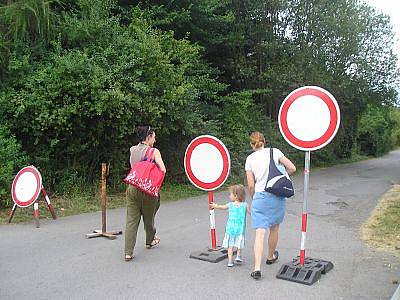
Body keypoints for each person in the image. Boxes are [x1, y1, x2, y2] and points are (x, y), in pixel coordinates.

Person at [245, 132, 296, 280]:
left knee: (260, 232)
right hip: (276, 195)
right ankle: (270, 256)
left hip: (260, 196)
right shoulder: (275, 152)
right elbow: (292, 168)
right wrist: (281, 178)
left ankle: (256, 268)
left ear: (251, 144)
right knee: (274, 228)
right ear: (264, 141)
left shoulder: (249, 159)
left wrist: (255, 198)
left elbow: (250, 185)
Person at [124, 126, 166, 262]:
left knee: (131, 220)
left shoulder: (132, 150)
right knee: (149, 218)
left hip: (132, 187)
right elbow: (163, 169)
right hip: (148, 189)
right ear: (148, 137)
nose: (155, 139)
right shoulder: (154, 151)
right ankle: (150, 241)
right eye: (154, 136)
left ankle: (128, 253)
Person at [212, 184, 250, 267]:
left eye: (231, 194)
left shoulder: (230, 204)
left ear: (236, 195)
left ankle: (230, 261)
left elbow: (222, 207)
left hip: (230, 228)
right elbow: (251, 213)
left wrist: (215, 206)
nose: (230, 196)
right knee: (239, 242)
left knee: (230, 245)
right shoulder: (245, 205)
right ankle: (238, 256)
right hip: (240, 228)